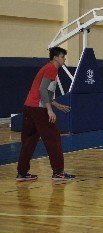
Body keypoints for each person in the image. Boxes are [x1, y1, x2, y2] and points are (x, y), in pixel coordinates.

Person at [16, 47, 75, 182]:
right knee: (53, 139)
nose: (64, 59)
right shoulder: (51, 69)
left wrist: (55, 104)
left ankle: (22, 173)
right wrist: (49, 110)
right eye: (62, 57)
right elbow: (43, 89)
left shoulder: (47, 68)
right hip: (39, 109)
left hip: (29, 107)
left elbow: (44, 92)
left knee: (29, 141)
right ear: (55, 58)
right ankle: (58, 173)